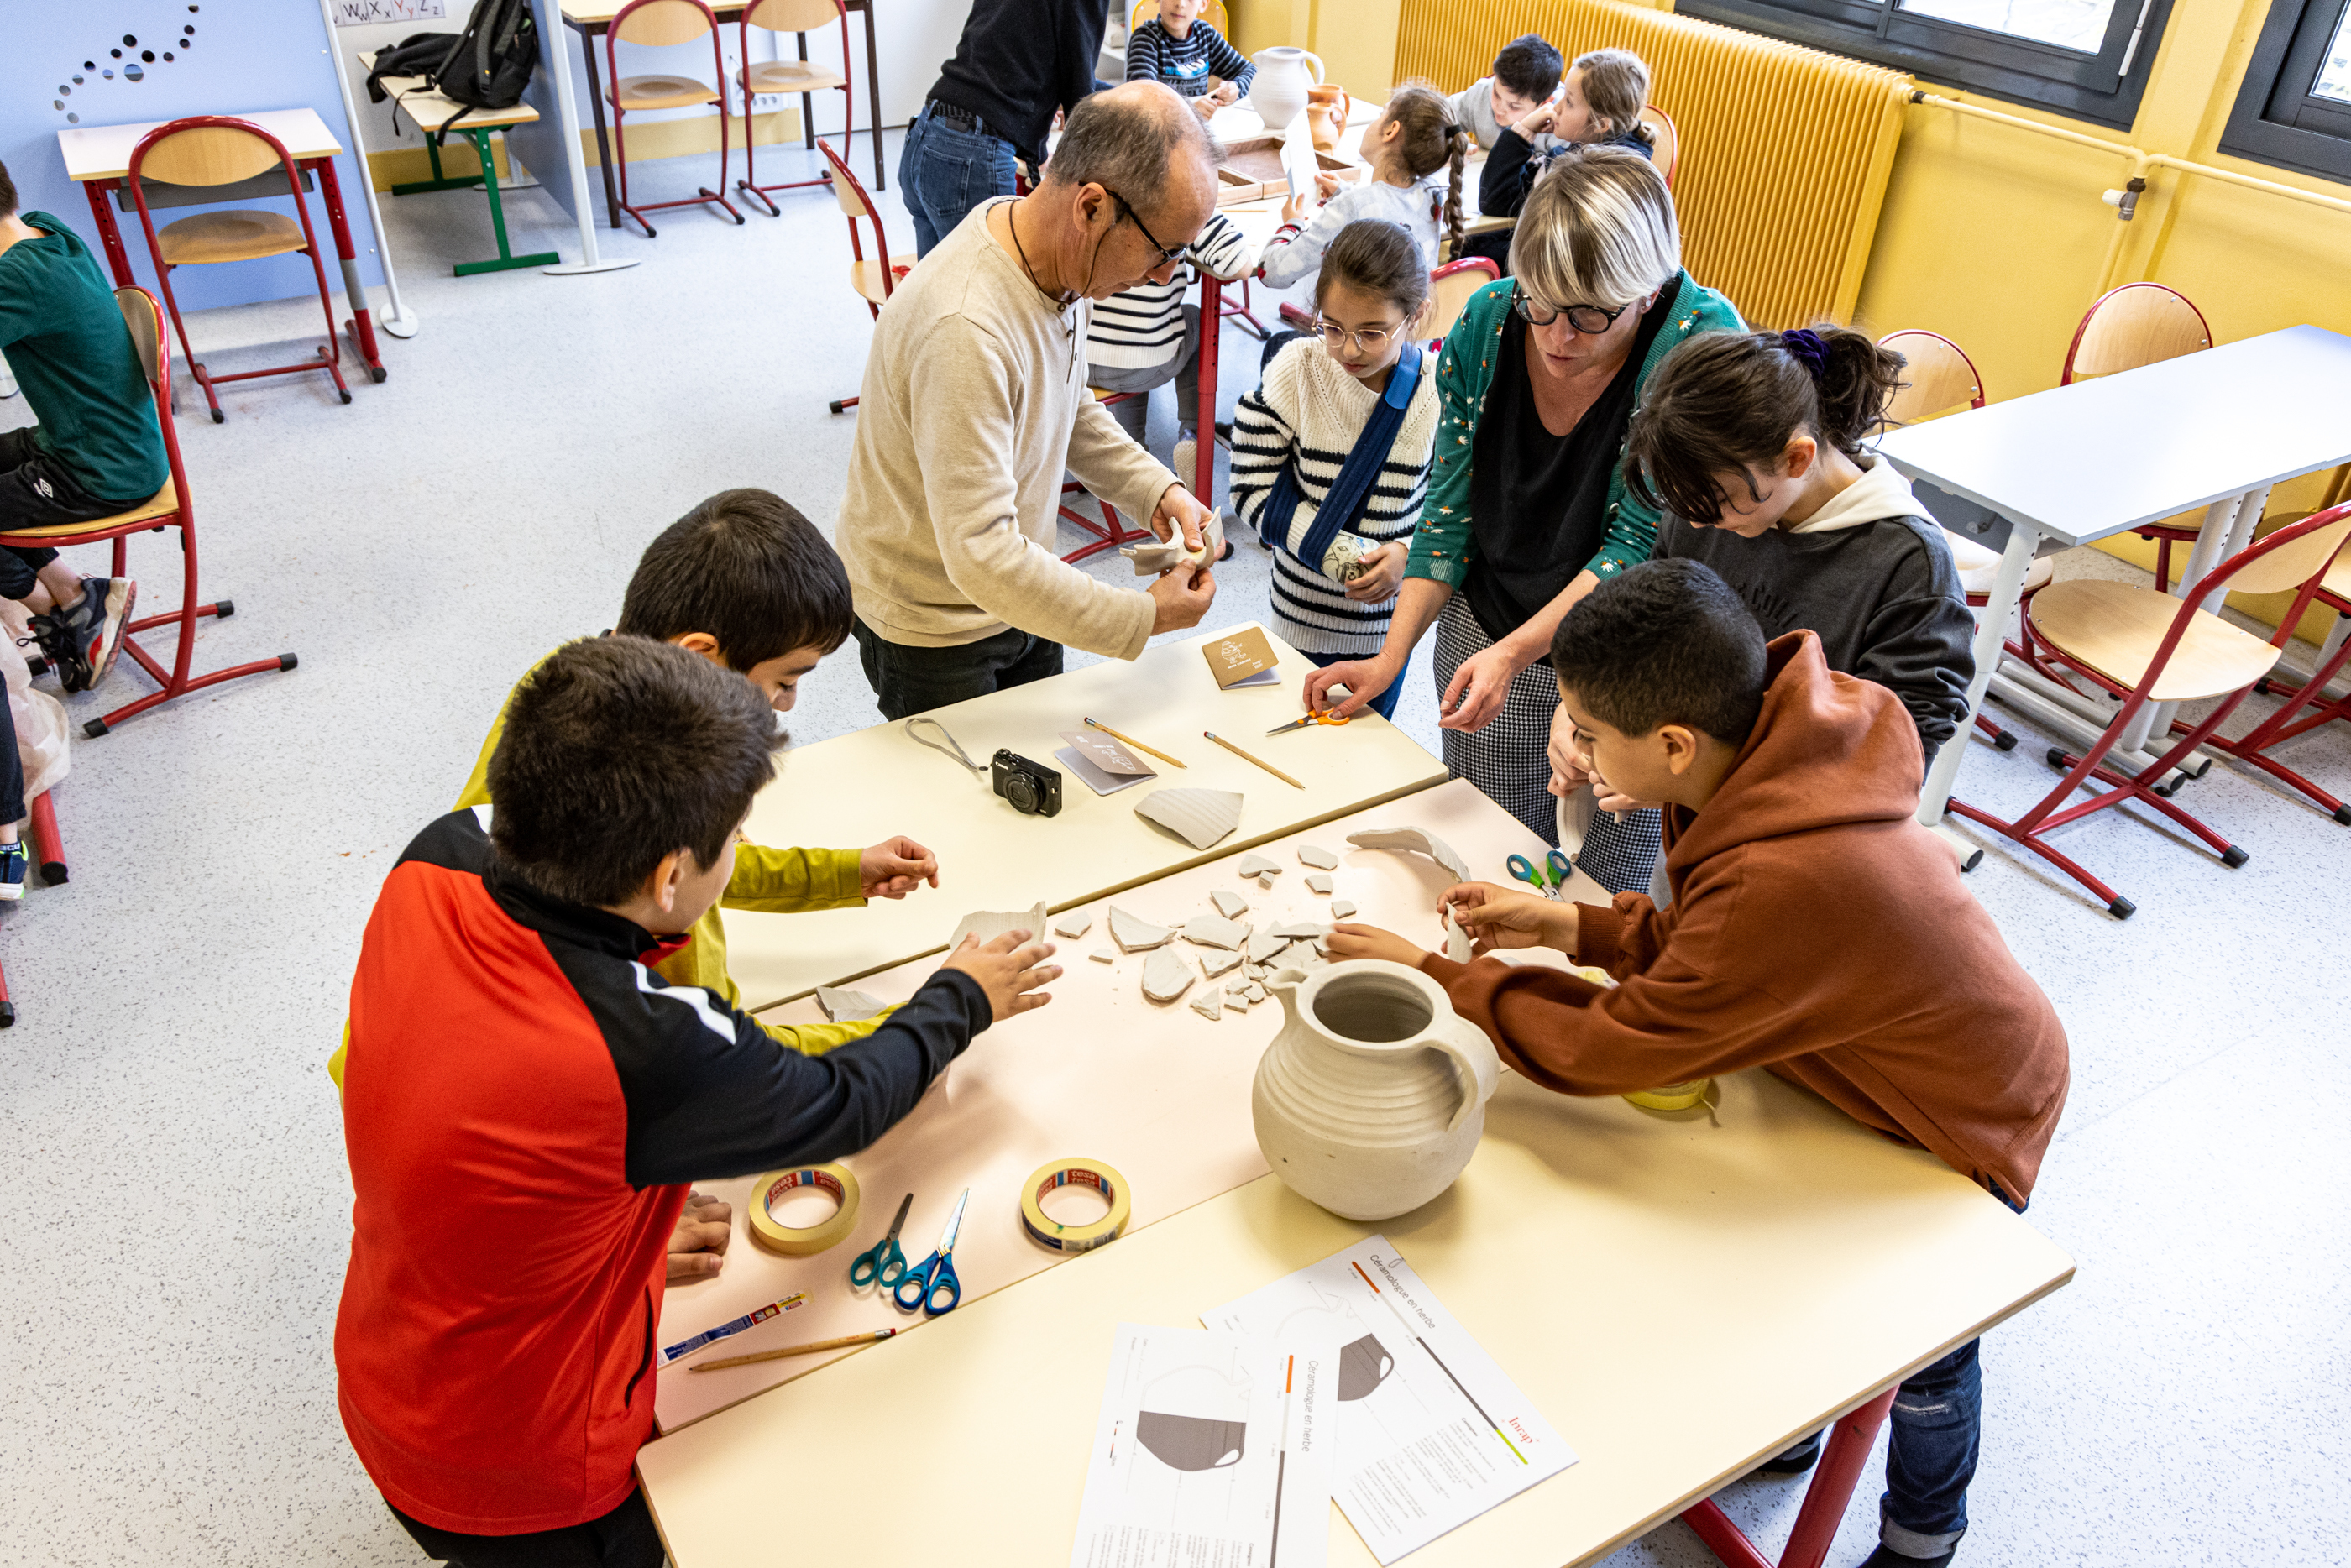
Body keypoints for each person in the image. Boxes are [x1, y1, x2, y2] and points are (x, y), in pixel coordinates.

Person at [1327, 559, 2069, 1568]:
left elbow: (1615, 1041)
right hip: (1856, 1039)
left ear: (1673, 742)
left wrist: (1439, 977)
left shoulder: (1787, 871)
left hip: (1964, 1107)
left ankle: (1923, 1530)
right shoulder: (1774, 736)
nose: (1577, 753)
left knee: (1928, 1347)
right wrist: (1575, 924)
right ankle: (1795, 1431)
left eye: (1587, 735)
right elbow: (1721, 941)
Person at [334, 636, 1059, 1568]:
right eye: (732, 844)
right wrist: (963, 991)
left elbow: (465, 1121)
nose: (737, 857)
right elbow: (844, 1100)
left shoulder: (440, 855)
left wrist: (603, 1220)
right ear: (670, 876)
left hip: (391, 1368)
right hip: (530, 1475)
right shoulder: (641, 1047)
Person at [1303, 147, 1742, 892]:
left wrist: (1517, 659)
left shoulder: (1695, 348)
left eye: (1591, 315)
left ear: (1647, 291)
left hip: (1625, 667)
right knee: (1483, 858)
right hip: (1488, 626)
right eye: (1539, 302)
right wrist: (1391, 656)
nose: (1557, 337)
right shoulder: (1488, 319)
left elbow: (1637, 544)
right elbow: (1449, 510)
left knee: (1600, 892)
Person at [454, 489, 942, 1060]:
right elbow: (733, 1063)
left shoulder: (562, 687)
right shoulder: (664, 835)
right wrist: (931, 1026)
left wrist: (842, 874)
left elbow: (703, 868)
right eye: (785, 680)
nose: (785, 704)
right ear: (702, 656)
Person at [838, 82, 1221, 721]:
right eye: (1165, 250)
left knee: (1048, 778)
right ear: (1092, 207)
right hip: (936, 628)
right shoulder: (965, 327)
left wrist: (1156, 490)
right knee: (965, 810)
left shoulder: (1052, 261)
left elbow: (1063, 406)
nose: (1165, 277)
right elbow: (983, 555)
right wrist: (1144, 617)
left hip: (1023, 587)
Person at [1626, 325, 1975, 770]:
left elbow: (1896, 750)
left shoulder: (1907, 565)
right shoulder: (1708, 493)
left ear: (1796, 458)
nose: (1695, 522)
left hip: (1799, 808)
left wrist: (1715, 779)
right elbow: (1654, 623)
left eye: (1716, 502)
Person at [1230, 221, 1438, 722]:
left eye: (1372, 332)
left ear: (1416, 316)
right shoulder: (1297, 367)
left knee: (1363, 754)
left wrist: (1408, 554)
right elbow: (1250, 487)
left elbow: (1449, 506)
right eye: (1332, 327)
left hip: (1385, 636)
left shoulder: (1438, 391)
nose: (1349, 349)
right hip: (1299, 616)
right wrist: (1339, 554)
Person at [0, 160, 144, 701]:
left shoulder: (15, 278)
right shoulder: (43, 231)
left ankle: (61, 612)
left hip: (98, 470)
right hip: (99, 442)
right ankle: (77, 597)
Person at [898, 0, 1113, 256]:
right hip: (968, 155)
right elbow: (1079, 93)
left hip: (927, 132)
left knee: (938, 291)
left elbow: (1011, 54)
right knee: (991, 288)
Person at [1084, 209, 1258, 482]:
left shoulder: (1088, 182)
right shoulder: (1185, 199)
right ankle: (1192, 432)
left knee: (1133, 333)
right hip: (1142, 364)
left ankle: (1133, 451)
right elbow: (1242, 267)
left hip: (1071, 360)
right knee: (1192, 321)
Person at [1256, 81, 1465, 289]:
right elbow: (1390, 210)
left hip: (1359, 320)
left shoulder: (1351, 206)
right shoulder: (1434, 193)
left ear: (1391, 131)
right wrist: (1343, 192)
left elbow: (1272, 273)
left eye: (1380, 114)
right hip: (1409, 319)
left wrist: (1292, 224)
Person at [1469, 47, 1655, 271]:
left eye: (1569, 101)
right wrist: (1522, 132)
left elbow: (1497, 204)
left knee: (1476, 256)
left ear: (1601, 124)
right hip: (1538, 269)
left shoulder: (1592, 176)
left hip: (1549, 282)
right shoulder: (1579, 152)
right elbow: (1497, 202)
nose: (1555, 107)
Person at [1124, 0, 1255, 118]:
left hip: (1198, 132)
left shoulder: (1206, 35)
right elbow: (1142, 99)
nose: (1180, 4)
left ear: (1203, 4)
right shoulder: (1145, 38)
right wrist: (1189, 111)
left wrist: (1236, 88)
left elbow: (1251, 70)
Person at [1448, 33, 1565, 154]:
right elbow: (1439, 115)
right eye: (1496, 95)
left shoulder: (1561, 119)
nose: (1499, 109)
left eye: (1513, 106)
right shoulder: (1483, 90)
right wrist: (1450, 143)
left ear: (1545, 103)